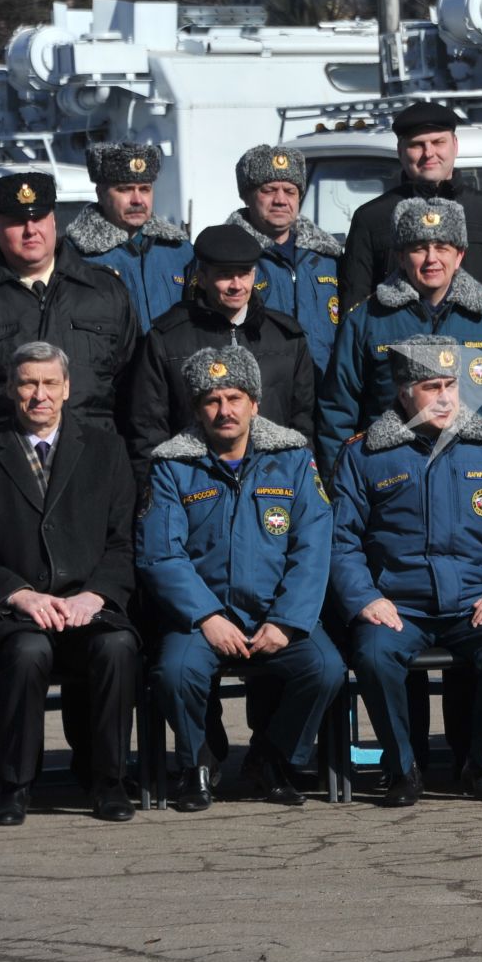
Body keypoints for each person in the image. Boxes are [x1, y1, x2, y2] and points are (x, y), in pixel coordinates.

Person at [329, 335, 482, 805]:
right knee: (376, 655)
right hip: (400, 604)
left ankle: (480, 765)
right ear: (404, 393)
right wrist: (365, 598)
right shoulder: (364, 455)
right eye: (430, 387)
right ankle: (403, 768)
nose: (444, 397)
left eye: (451, 384)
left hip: (474, 602)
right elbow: (342, 541)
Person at [138, 346, 340, 812]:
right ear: (196, 408)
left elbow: (313, 546)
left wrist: (287, 621)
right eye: (211, 400)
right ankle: (199, 766)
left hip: (275, 613)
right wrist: (207, 616)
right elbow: (161, 554)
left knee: (324, 669)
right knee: (174, 673)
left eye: (234, 397)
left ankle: (272, 759)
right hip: (202, 616)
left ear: (255, 402)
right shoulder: (172, 464)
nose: (224, 410)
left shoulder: (292, 457)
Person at [0, 342, 140, 824]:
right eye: (29, 383)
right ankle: (13, 783)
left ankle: (108, 779)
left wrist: (94, 596)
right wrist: (19, 594)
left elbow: (124, 544)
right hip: (14, 614)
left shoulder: (107, 450)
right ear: (12, 389)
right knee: (28, 652)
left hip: (89, 608)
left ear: (67, 388)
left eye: (50, 383)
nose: (39, 395)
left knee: (117, 646)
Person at [0, 172, 137, 488]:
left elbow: (135, 398)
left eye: (39, 218)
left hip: (94, 475)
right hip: (1, 479)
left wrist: (132, 482)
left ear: (53, 220)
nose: (31, 230)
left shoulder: (105, 291)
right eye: (16, 220)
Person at [319, 195, 482, 468]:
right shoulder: (366, 321)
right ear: (401, 256)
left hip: (479, 480)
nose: (431, 259)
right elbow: (337, 411)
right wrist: (343, 485)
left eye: (442, 247)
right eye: (419, 248)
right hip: (391, 479)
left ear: (460, 255)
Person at [126, 223, 316, 476]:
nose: (236, 285)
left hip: (274, 481)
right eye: (225, 275)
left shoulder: (287, 337)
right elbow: (148, 430)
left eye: (244, 273)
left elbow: (303, 424)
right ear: (202, 278)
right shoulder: (166, 339)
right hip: (193, 482)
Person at [337, 100, 482, 309]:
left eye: (438, 142)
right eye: (417, 145)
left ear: (455, 144)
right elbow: (355, 306)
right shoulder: (371, 219)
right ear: (400, 151)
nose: (429, 153)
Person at [224, 144, 346, 372]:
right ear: (247, 196)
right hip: (259, 394)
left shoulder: (328, 257)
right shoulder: (226, 258)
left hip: (323, 392)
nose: (281, 200)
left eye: (290, 191)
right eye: (269, 190)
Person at [64, 141, 193, 330]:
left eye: (145, 189)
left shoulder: (179, 250)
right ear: (100, 194)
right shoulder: (74, 256)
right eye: (124, 189)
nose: (137, 200)